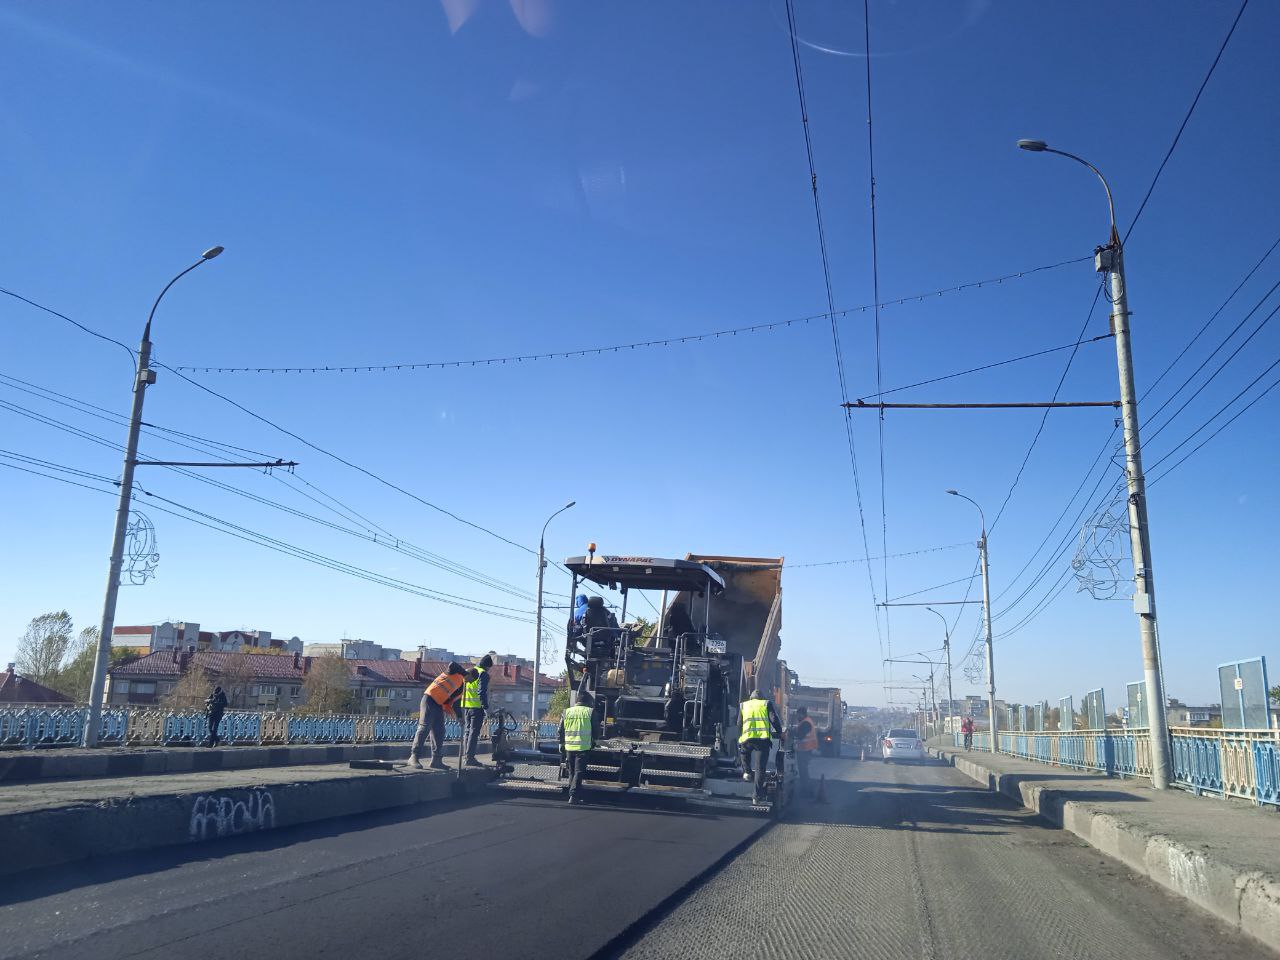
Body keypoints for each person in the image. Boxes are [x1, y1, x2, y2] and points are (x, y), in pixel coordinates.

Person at [407, 662, 466, 769]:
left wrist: (460, 717)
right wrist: (465, 672)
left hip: (438, 704)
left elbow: (456, 703)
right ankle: (414, 756)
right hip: (429, 698)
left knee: (439, 731)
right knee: (425, 727)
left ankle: (436, 760)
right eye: (472, 679)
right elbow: (452, 664)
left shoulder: (462, 686)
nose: (472, 682)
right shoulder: (455, 672)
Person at [739, 688, 783, 802]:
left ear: (751, 698)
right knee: (760, 768)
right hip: (762, 741)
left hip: (747, 738)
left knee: (744, 753)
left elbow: (738, 723)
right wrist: (780, 732)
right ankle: (756, 796)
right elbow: (774, 719)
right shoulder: (766, 703)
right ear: (761, 698)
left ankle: (747, 772)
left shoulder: (744, 705)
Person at [559, 691, 601, 804]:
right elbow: (596, 729)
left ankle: (573, 795)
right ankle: (573, 796)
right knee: (579, 772)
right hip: (583, 747)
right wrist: (595, 741)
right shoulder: (590, 712)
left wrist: (561, 744)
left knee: (572, 771)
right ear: (588, 702)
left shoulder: (566, 712)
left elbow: (560, 730)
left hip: (569, 747)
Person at [462, 655, 493, 767]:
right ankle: (470, 758)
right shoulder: (483, 674)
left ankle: (466, 756)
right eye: (489, 667)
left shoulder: (469, 671)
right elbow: (481, 691)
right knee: (474, 733)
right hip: (477, 707)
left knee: (467, 731)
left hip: (466, 706)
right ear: (487, 666)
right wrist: (486, 708)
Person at [793, 706, 819, 797]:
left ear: (802, 714)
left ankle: (807, 791)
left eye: (798, 714)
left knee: (803, 772)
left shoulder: (806, 723)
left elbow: (800, 736)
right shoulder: (806, 721)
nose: (797, 716)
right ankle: (806, 790)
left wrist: (793, 735)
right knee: (803, 771)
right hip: (805, 749)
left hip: (805, 749)